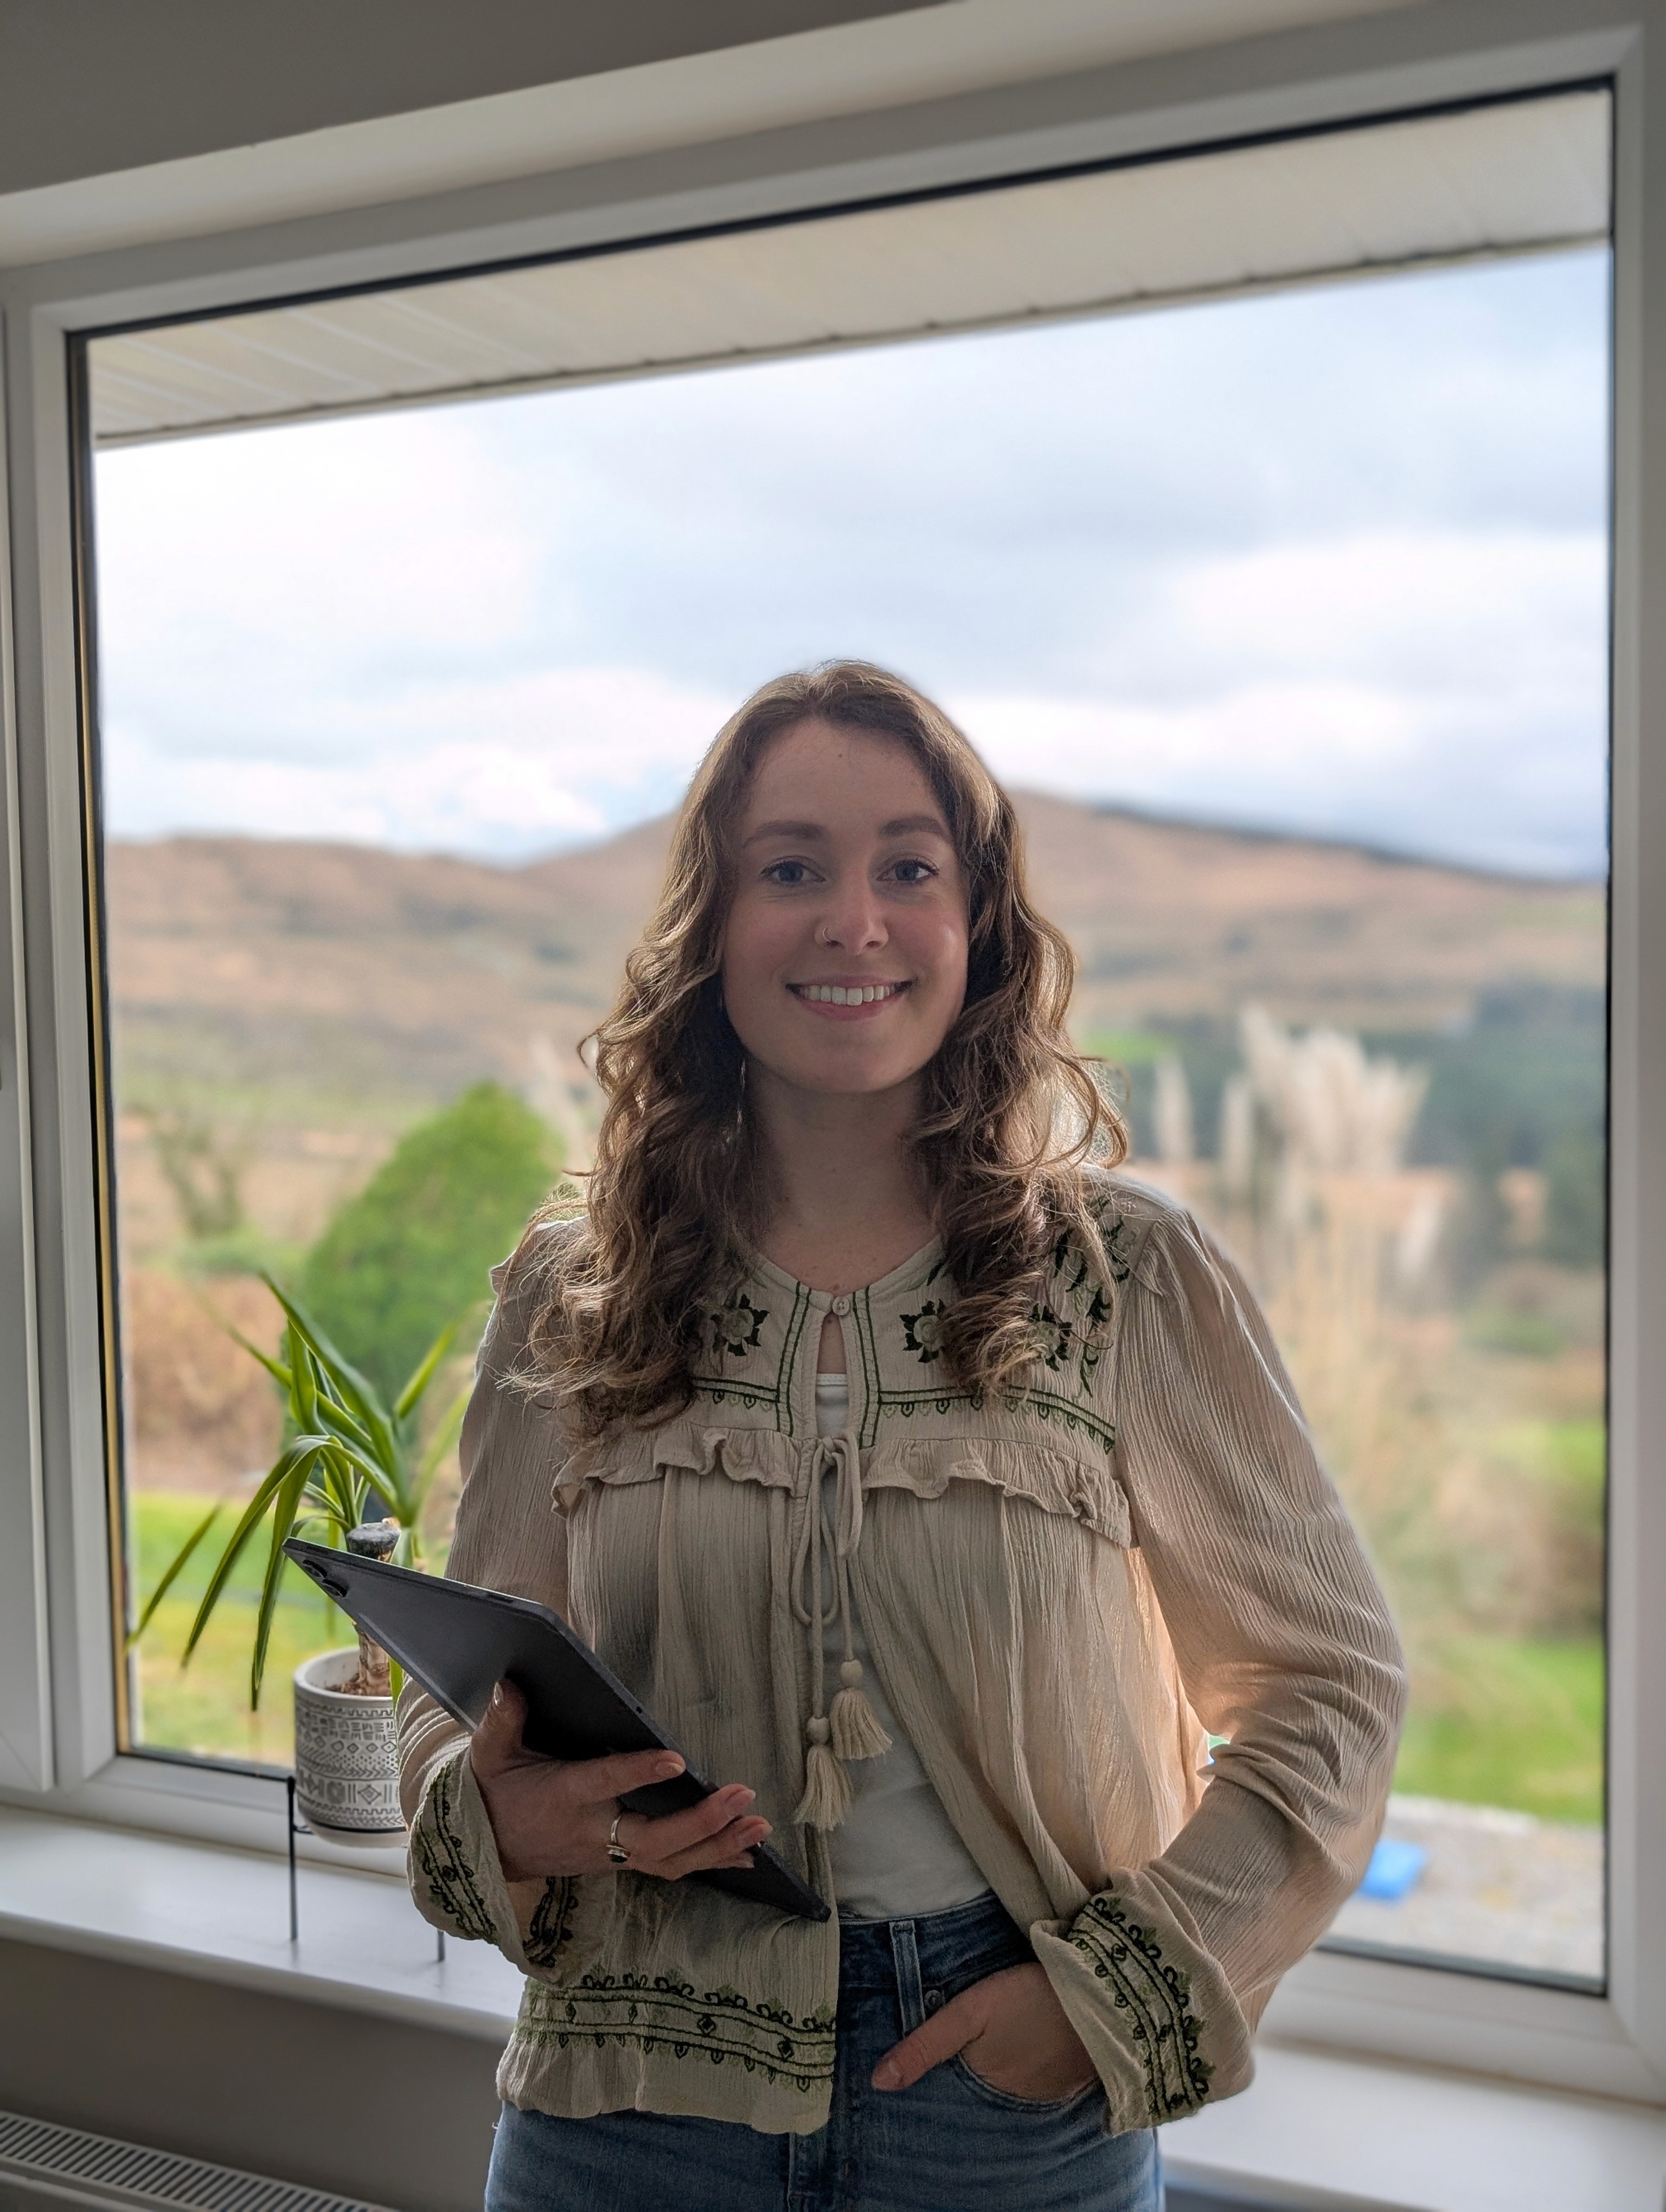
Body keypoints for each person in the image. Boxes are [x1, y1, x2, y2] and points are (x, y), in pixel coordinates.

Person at [398, 661, 1406, 2212]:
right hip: (630, 2101)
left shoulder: (1123, 1280)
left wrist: (1104, 1999)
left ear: (978, 925)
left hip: (1002, 2112)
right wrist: (505, 1818)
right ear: (713, 927)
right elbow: (457, 1700)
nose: (851, 921)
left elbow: (1328, 1686)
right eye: (790, 868)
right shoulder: (571, 1290)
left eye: (908, 870)